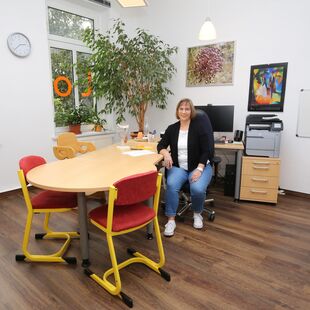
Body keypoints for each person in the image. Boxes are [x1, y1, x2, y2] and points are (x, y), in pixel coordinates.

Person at [157, 98, 214, 237]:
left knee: (197, 188)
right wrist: (166, 154)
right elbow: (161, 145)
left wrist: (200, 169)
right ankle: (171, 220)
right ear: (177, 111)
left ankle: (197, 213)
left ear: (191, 111)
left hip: (199, 166)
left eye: (187, 109)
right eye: (181, 108)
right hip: (179, 167)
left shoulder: (199, 127)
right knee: (171, 185)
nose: (184, 111)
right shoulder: (172, 128)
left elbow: (207, 150)